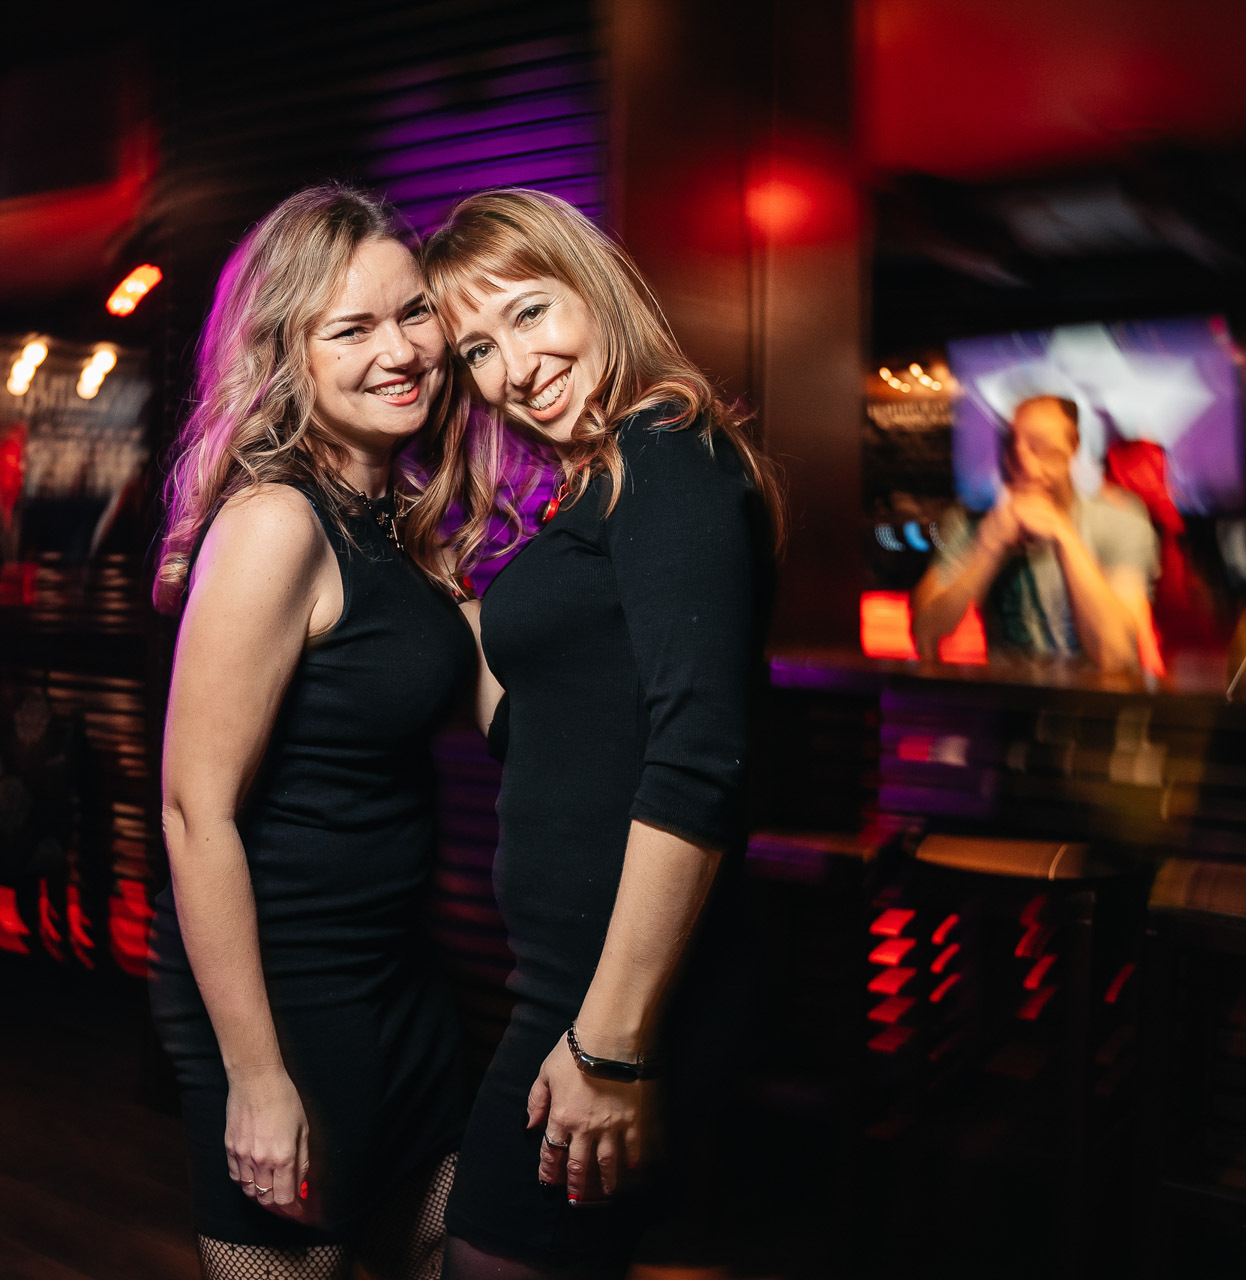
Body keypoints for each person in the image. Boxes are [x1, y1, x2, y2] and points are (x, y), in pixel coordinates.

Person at [420, 188, 782, 1278]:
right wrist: (426, 587)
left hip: (615, 998)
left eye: (529, 312)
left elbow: (700, 761)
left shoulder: (665, 451)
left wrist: (612, 1045)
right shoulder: (604, 478)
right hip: (570, 982)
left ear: (594, 286)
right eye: (478, 349)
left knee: (489, 1254)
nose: (514, 369)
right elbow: (538, 731)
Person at [149, 185, 475, 1280]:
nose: (402, 351)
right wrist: (255, 1073)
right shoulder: (277, 522)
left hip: (400, 974)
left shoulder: (400, 515)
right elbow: (194, 812)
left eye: (414, 312)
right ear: (286, 355)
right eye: (353, 328)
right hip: (287, 994)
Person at [911, 394, 1157, 672]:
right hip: (1011, 697)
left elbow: (1117, 653)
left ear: (1073, 447)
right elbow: (925, 635)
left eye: (1041, 448)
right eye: (1012, 448)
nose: (1026, 467)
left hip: (1094, 698)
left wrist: (1064, 537)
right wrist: (988, 548)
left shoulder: (1120, 521)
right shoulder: (972, 521)